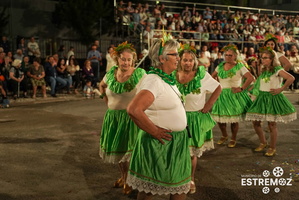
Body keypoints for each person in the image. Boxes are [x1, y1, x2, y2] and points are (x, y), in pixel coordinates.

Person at [126, 36, 191, 199]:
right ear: (161, 58)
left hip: (176, 143)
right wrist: (154, 131)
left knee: (179, 189)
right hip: (159, 144)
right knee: (148, 191)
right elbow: (134, 109)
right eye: (174, 54)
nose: (179, 58)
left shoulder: (167, 79)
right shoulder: (153, 80)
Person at [99, 41, 146, 195]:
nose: (126, 62)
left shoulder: (140, 74)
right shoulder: (111, 73)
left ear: (133, 61)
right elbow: (102, 86)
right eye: (123, 59)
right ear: (117, 59)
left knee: (130, 153)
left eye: (129, 60)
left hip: (131, 118)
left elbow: (149, 92)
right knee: (118, 151)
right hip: (113, 118)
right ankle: (124, 177)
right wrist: (106, 101)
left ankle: (130, 180)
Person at [174, 44, 222, 194]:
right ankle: (176, 178)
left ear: (194, 61)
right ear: (180, 61)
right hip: (175, 117)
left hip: (194, 119)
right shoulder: (173, 75)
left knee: (191, 152)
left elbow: (218, 88)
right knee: (176, 151)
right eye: (184, 60)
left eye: (190, 60)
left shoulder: (202, 75)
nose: (187, 63)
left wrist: (209, 104)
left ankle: (191, 179)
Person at [245, 47, 297, 156]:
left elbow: (291, 78)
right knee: (256, 122)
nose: (262, 60)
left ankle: (272, 147)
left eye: (265, 58)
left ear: (272, 59)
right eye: (262, 58)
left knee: (272, 124)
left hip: (271, 98)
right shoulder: (264, 70)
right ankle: (263, 142)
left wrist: (281, 89)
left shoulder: (277, 69)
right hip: (261, 98)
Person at [211, 44, 254, 148]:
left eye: (230, 55)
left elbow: (250, 78)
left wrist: (241, 88)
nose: (227, 57)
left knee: (233, 120)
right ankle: (224, 135)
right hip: (221, 95)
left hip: (234, 95)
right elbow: (212, 76)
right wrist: (217, 85)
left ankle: (233, 138)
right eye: (226, 55)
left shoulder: (240, 66)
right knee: (220, 119)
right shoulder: (220, 66)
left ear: (235, 56)